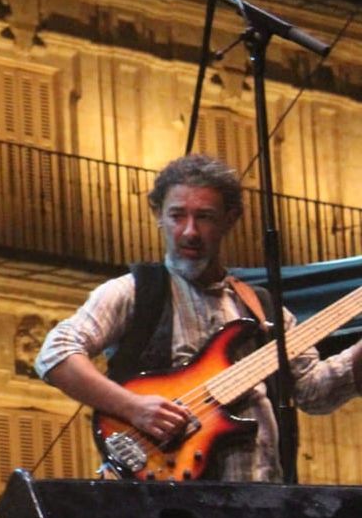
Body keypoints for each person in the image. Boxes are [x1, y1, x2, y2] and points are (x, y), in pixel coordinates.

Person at [35, 153, 362, 481]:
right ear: (158, 216)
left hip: (263, 500)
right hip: (170, 500)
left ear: (230, 219)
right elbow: (56, 353)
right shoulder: (133, 292)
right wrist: (133, 407)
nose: (189, 231)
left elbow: (315, 393)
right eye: (177, 215)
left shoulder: (262, 309)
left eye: (204, 217)